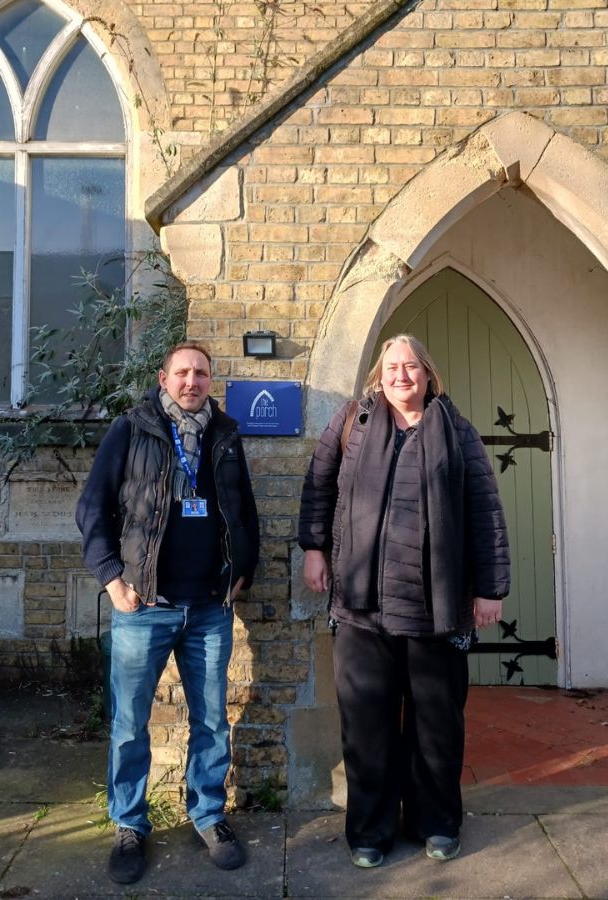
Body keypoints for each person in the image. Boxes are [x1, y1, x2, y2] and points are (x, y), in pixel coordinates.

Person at [298, 334, 510, 869]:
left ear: (428, 374)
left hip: (436, 610)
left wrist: (489, 588)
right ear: (378, 375)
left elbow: (484, 510)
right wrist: (313, 549)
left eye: (411, 366)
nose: (401, 375)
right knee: (366, 729)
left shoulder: (456, 430)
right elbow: (319, 486)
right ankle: (369, 831)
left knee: (436, 729)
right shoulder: (352, 422)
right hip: (360, 607)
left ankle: (435, 823)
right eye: (392, 366)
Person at [75, 341, 260, 885]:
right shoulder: (131, 429)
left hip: (208, 607)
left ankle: (208, 814)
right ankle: (130, 825)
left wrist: (243, 567)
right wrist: (112, 580)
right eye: (182, 373)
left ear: (211, 381)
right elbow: (92, 507)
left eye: (201, 373)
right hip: (144, 604)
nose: (191, 382)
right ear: (163, 378)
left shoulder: (225, 435)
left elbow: (243, 506)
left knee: (209, 719)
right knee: (131, 723)